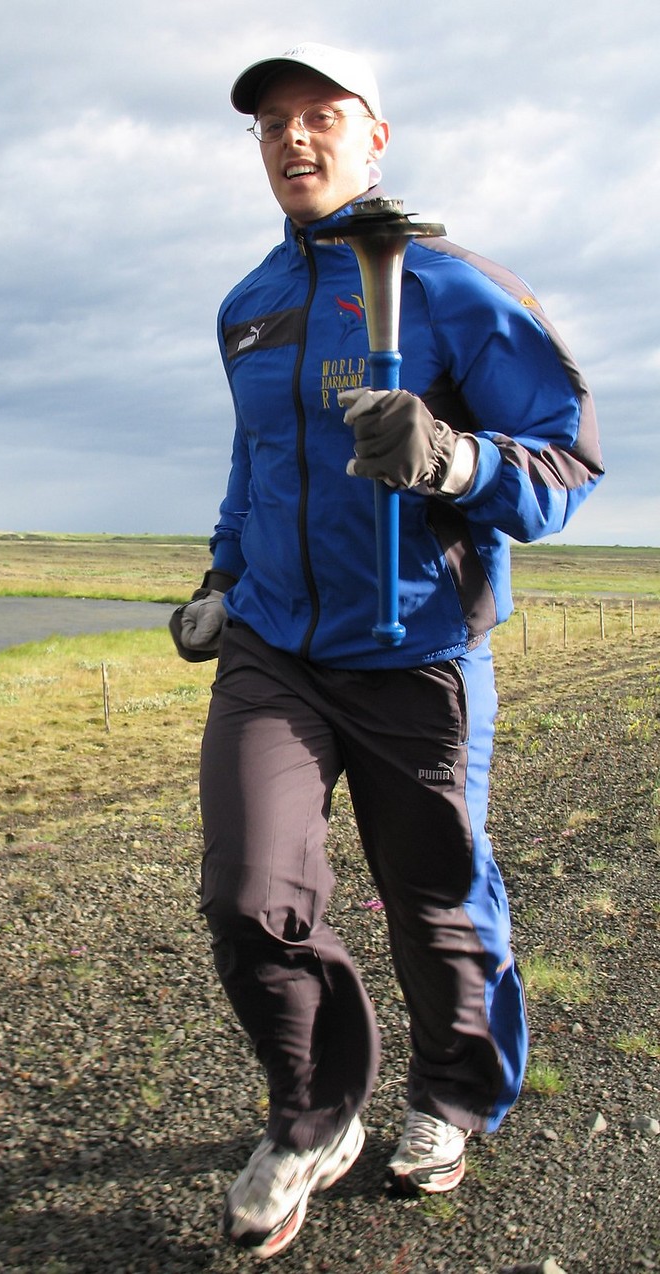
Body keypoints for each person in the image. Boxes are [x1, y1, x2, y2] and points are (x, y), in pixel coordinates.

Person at [170, 42, 604, 1260]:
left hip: (417, 652)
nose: (292, 141)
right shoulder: (247, 302)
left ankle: (452, 1095)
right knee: (251, 891)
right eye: (270, 126)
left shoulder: (456, 288)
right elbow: (255, 462)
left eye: (321, 117)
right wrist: (218, 576)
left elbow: (562, 466)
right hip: (275, 646)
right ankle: (314, 1112)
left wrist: (455, 460)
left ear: (375, 138)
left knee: (437, 904)